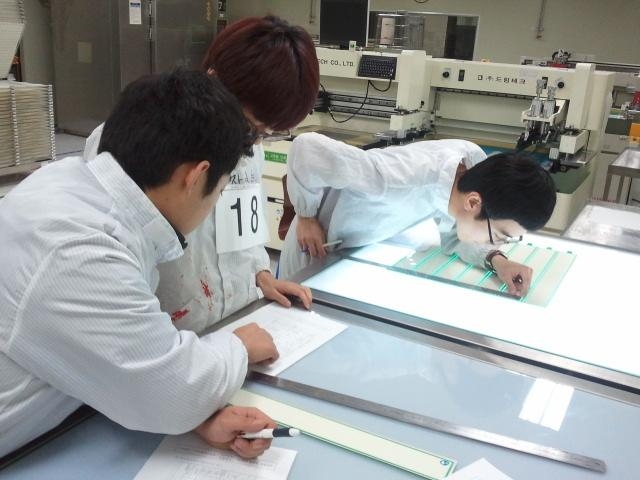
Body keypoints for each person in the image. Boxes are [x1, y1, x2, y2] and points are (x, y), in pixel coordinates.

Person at [0, 69, 279, 459]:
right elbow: (173, 391)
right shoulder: (82, 253)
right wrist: (239, 348)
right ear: (195, 177)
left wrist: (199, 415)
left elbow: (120, 361)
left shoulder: (67, 185)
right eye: (219, 189)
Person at [83, 16, 319, 334]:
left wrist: (260, 274)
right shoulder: (129, 144)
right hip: (167, 333)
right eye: (251, 126)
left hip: (235, 320)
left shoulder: (249, 148)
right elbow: (111, 266)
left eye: (268, 132)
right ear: (215, 80)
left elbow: (244, 229)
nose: (254, 143)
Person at [280, 133, 557, 297]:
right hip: (314, 248)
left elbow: (455, 237)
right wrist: (306, 215)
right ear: (473, 202)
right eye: (498, 235)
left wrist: (497, 260)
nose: (495, 240)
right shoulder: (394, 179)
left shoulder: (470, 170)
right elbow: (307, 147)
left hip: (352, 250)